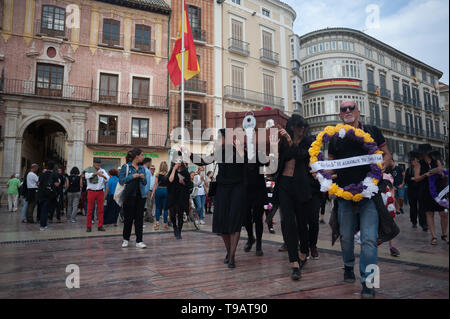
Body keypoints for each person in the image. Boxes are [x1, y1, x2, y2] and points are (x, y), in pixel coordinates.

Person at [326, 100, 392, 299]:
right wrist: (321, 174)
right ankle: (348, 266)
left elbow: (388, 156)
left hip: (368, 194)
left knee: (369, 240)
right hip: (344, 194)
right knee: (345, 238)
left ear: (358, 112)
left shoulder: (372, 130)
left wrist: (384, 164)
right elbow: (331, 166)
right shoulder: (335, 137)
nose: (347, 111)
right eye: (343, 109)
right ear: (340, 115)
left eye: (351, 108)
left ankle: (370, 283)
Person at [190, 128, 248, 269]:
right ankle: (229, 252)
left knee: (234, 221)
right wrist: (189, 154)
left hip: (237, 189)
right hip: (223, 188)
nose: (217, 140)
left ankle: (232, 256)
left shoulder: (239, 151)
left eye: (219, 137)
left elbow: (249, 165)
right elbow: (203, 161)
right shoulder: (219, 152)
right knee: (222, 223)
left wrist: (240, 149)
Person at [274, 114, 313, 280]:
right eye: (298, 126)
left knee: (302, 224)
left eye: (303, 126)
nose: (301, 129)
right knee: (288, 223)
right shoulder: (284, 142)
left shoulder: (309, 142)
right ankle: (294, 263)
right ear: (292, 126)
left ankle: (304, 252)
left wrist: (290, 141)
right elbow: (280, 159)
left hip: (301, 186)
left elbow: (300, 155)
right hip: (284, 184)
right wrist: (276, 144)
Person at [414, 143, 448, 245]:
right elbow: (416, 178)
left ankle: (444, 234)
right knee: (429, 213)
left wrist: (440, 173)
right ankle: (434, 236)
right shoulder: (418, 164)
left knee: (444, 213)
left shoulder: (436, 162)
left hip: (439, 189)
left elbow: (443, 175)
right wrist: (425, 175)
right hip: (425, 190)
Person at [119, 149, 147, 248]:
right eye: (142, 155)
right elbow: (121, 180)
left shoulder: (142, 168)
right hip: (129, 196)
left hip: (141, 196)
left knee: (139, 219)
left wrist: (143, 178)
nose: (143, 157)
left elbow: (145, 183)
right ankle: (125, 239)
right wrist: (132, 176)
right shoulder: (126, 167)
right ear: (137, 156)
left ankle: (139, 241)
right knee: (128, 219)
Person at [167, 156, 193, 240]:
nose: (178, 162)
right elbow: (170, 180)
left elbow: (189, 185)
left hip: (182, 196)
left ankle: (179, 231)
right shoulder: (172, 170)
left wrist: (183, 182)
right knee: (172, 214)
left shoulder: (185, 172)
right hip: (173, 195)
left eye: (179, 161)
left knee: (180, 214)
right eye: (176, 161)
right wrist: (174, 169)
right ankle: (174, 226)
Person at [84, 158, 109, 232]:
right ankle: (88, 226)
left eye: (99, 164)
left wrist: (103, 176)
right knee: (89, 210)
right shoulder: (89, 169)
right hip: (91, 191)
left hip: (100, 192)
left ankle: (100, 226)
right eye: (96, 163)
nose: (98, 165)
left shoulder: (103, 170)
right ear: (93, 163)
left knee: (101, 210)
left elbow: (107, 179)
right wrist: (96, 173)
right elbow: (87, 176)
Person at [405, 153, 427, 230]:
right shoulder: (408, 170)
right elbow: (407, 180)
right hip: (411, 191)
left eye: (413, 160)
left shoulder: (421, 168)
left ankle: (423, 223)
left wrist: (415, 178)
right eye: (411, 160)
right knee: (413, 207)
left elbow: (423, 178)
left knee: (422, 207)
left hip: (420, 190)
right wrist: (413, 179)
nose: (412, 162)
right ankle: (414, 221)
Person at [37, 161, 60, 231]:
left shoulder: (42, 174)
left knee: (42, 210)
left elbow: (38, 183)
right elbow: (57, 184)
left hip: (41, 194)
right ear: (53, 168)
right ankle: (43, 226)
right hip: (48, 195)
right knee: (45, 210)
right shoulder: (54, 174)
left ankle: (43, 224)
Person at [151, 161, 170, 230]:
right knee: (165, 208)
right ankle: (165, 224)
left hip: (159, 190)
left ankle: (157, 222)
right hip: (166, 190)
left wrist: (152, 193)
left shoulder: (157, 174)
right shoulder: (168, 174)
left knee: (158, 207)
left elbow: (155, 184)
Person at [142, 158, 156, 224]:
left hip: (153, 191)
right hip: (148, 191)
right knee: (148, 205)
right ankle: (150, 218)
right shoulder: (147, 173)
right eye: (151, 168)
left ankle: (146, 217)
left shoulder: (155, 176)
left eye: (154, 169)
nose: (152, 170)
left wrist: (153, 192)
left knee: (151, 205)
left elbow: (155, 184)